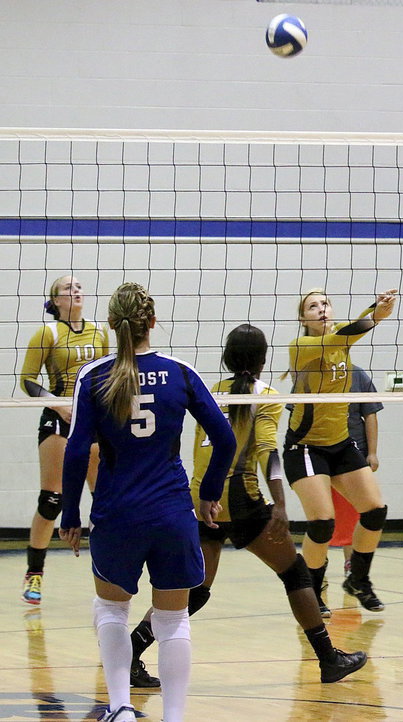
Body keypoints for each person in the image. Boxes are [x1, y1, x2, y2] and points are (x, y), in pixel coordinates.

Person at [127, 324, 367, 686]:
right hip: (239, 497)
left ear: (227, 356)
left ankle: (131, 650)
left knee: (197, 590)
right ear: (262, 358)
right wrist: (281, 504)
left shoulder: (209, 390)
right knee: (295, 574)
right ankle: (329, 660)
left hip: (201, 497)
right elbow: (268, 452)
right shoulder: (265, 395)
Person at [58, 282, 237, 722]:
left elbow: (77, 450)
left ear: (112, 325)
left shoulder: (93, 376)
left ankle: (120, 708)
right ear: (151, 323)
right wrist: (209, 494)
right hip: (172, 512)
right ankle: (172, 716)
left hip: (118, 513)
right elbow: (225, 438)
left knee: (111, 609)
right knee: (173, 620)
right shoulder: (179, 372)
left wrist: (70, 514)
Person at [284, 288, 397, 617]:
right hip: (305, 447)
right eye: (312, 306)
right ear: (303, 318)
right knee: (322, 523)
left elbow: (349, 334)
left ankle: (358, 580)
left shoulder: (341, 343)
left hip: (341, 444)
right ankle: (314, 591)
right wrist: (374, 315)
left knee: (375, 511)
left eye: (324, 304)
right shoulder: (301, 347)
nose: (320, 309)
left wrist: (376, 311)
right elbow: (345, 336)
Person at [19, 275, 108, 605]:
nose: (76, 292)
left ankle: (107, 570)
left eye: (79, 288)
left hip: (94, 420)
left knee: (104, 499)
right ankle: (35, 574)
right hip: (60, 417)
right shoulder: (48, 333)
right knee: (52, 500)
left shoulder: (99, 332)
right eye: (68, 289)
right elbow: (27, 380)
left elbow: (107, 373)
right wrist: (59, 404)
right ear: (56, 301)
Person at [321, 365, 383, 588]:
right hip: (321, 453)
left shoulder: (357, 374)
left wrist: (373, 452)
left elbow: (370, 415)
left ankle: (352, 567)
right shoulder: (312, 373)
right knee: (323, 514)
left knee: (354, 513)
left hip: (352, 456)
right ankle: (319, 567)